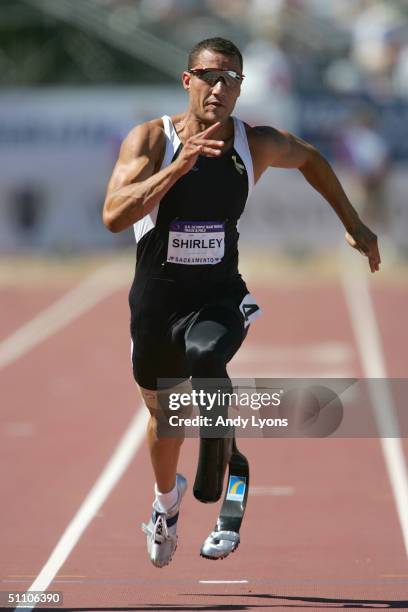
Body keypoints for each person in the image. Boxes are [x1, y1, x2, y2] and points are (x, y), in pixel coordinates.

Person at [102, 37, 380, 569]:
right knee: (166, 422)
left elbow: (313, 159)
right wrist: (178, 168)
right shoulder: (152, 140)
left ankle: (226, 479)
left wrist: (354, 223)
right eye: (209, 75)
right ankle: (166, 504)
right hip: (157, 307)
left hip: (219, 297)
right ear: (188, 80)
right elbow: (114, 216)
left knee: (208, 356)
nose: (220, 88)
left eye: (232, 79)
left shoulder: (255, 144)